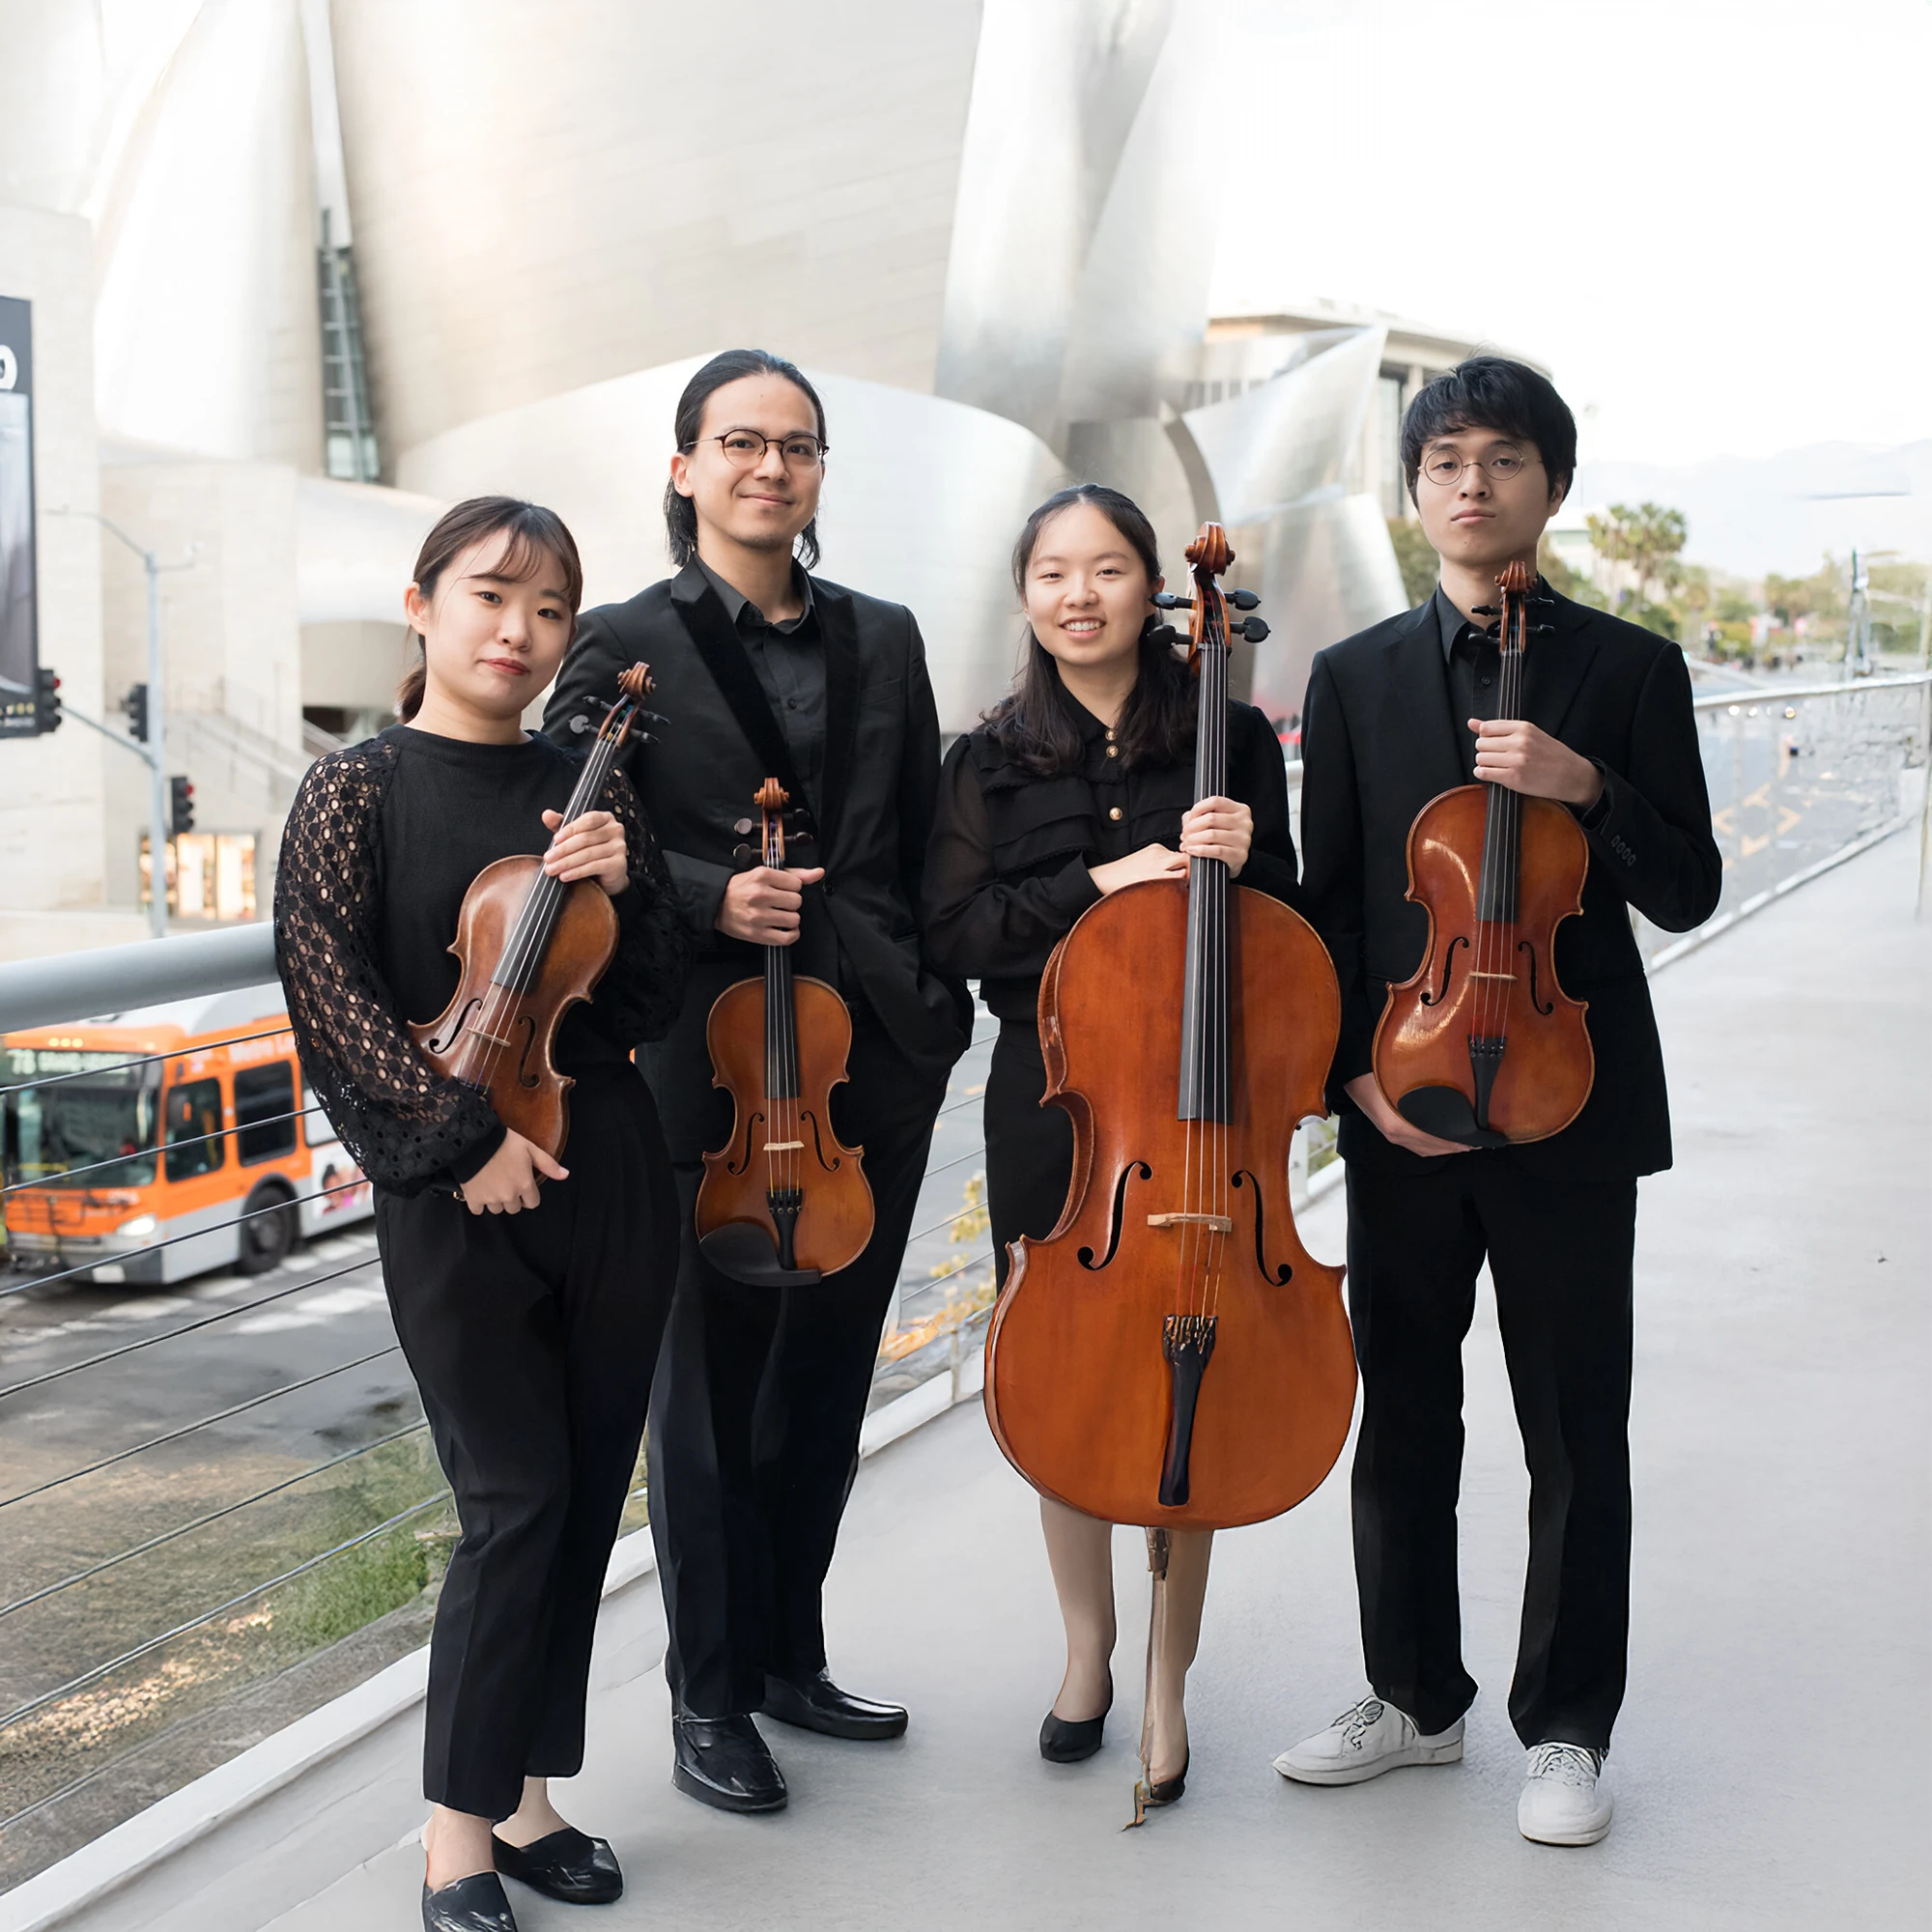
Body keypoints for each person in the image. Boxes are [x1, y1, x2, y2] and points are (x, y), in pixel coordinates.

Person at [1275, 358, 1721, 1846]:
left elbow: (1691, 886)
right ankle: (1412, 1698)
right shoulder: (1350, 680)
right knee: (1402, 1414)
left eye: (1505, 459)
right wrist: (1350, 1076)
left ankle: (1568, 1731)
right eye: (1447, 461)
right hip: (1402, 1106)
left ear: (1550, 483)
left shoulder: (1633, 670)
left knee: (1575, 1425)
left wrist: (1589, 785)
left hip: (1574, 1101)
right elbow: (1325, 908)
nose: (1474, 484)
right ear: (1416, 494)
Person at [541, 350, 970, 1816]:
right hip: (703, 1081)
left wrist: (929, 1003)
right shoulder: (617, 641)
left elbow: (921, 840)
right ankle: (709, 1695)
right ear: (684, 468)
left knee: (828, 1381)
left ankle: (792, 1654)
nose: (768, 467)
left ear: (820, 473)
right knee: (706, 1405)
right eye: (739, 442)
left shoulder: (888, 636)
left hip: (873, 1060)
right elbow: (565, 836)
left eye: (796, 445)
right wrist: (718, 891)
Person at [276, 497, 691, 1932]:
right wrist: (461, 1146)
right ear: (422, 605)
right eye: (490, 596)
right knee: (510, 1503)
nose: (518, 631)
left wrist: (633, 895)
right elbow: (328, 998)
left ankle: (530, 1800)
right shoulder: (356, 790)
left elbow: (641, 1007)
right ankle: (457, 1835)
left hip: (610, 1171)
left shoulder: (589, 787)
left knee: (582, 1499)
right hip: (456, 1192)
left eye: (551, 609)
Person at [923, 484, 1301, 1804]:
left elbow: (1289, 931)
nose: (1078, 595)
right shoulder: (981, 761)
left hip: (1208, 1118)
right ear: (1026, 598)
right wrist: (1103, 881)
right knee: (1069, 1377)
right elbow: (956, 934)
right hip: (1061, 1113)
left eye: (1106, 569)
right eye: (1050, 574)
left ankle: (1167, 1683)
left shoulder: (1231, 733)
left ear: (1154, 586)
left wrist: (1251, 855)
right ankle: (1088, 1651)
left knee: (1198, 1372)